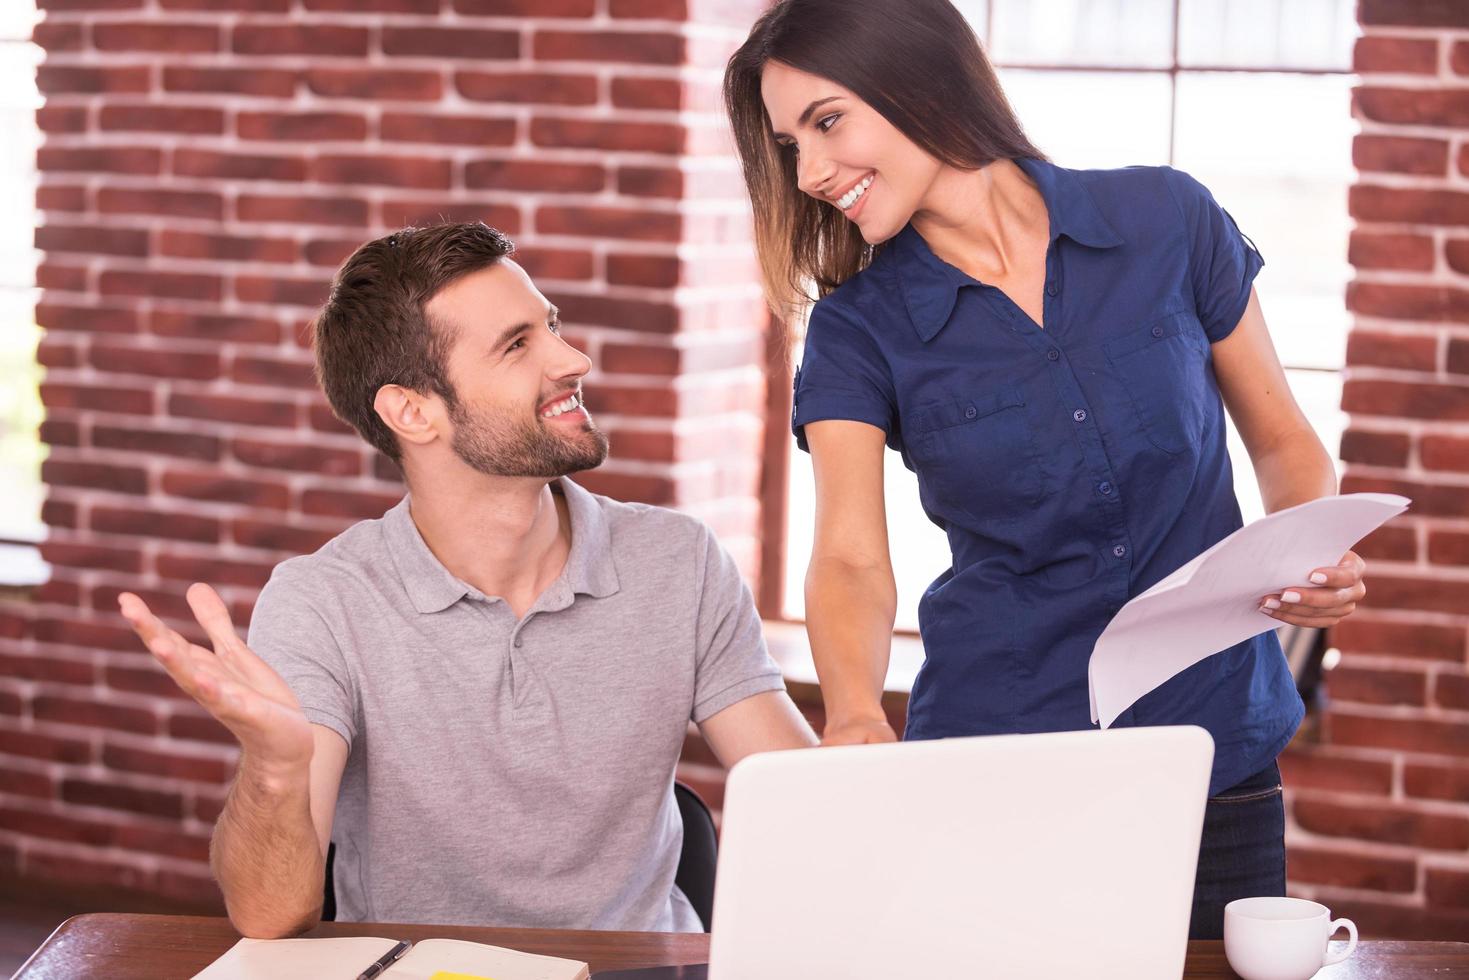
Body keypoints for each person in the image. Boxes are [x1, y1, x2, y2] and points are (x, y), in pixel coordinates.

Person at [723, 0, 1367, 939]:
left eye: (826, 123)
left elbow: (1280, 439)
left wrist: (1303, 553)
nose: (811, 173)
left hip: (1213, 747)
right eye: (789, 145)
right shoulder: (857, 330)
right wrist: (856, 712)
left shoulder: (1165, 219)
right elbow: (852, 557)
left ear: (920, 78)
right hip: (999, 761)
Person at [118, 222, 817, 939]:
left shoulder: (678, 561)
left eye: (551, 327)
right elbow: (268, 914)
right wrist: (273, 768)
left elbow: (808, 809)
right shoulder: (321, 602)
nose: (572, 358)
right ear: (412, 412)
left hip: (632, 970)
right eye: (517, 346)